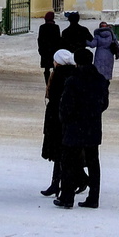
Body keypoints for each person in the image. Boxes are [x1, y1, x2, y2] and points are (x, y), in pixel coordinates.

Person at [55, 47, 110, 209]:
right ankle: (93, 198)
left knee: (69, 162)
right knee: (93, 163)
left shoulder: (73, 80)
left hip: (74, 127)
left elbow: (66, 106)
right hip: (92, 127)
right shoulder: (100, 79)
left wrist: (65, 119)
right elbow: (104, 104)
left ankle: (67, 197)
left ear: (77, 62)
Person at [39, 47, 74, 197]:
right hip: (63, 119)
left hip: (57, 119)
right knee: (62, 154)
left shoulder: (59, 76)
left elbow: (54, 97)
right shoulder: (71, 74)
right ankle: (55, 183)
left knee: (60, 154)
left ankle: (58, 184)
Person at [37, 10, 61, 81]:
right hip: (54, 50)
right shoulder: (56, 27)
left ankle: (47, 82)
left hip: (45, 50)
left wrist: (40, 49)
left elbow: (40, 39)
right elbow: (58, 39)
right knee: (55, 66)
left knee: (46, 68)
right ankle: (53, 82)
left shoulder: (42, 27)